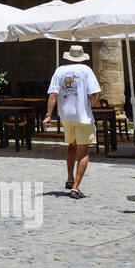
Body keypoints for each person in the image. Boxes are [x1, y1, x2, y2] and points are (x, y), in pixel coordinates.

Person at [43, 45, 101, 198]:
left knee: (72, 145)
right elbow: (94, 93)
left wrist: (48, 115)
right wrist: (92, 102)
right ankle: (75, 187)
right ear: (82, 57)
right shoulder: (86, 71)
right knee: (83, 152)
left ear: (68, 56)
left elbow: (53, 95)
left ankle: (69, 178)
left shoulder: (59, 71)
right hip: (83, 116)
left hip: (66, 116)